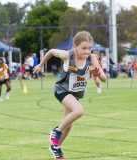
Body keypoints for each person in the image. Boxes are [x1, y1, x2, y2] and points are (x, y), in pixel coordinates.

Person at [33, 31, 107, 160]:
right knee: (79, 111)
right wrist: (40, 65)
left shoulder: (91, 58)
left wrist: (98, 74)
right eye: (84, 48)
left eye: (89, 48)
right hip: (62, 90)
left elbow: (104, 79)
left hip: (75, 94)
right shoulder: (67, 55)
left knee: (69, 125)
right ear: (75, 46)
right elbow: (51, 51)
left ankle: (55, 148)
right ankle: (56, 132)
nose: (87, 51)